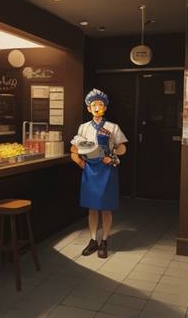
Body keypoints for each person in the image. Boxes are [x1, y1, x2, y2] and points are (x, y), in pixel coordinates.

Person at [70, 89, 127, 258]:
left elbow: (123, 147)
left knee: (106, 208)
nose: (96, 107)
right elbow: (75, 148)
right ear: (88, 108)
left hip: (107, 170)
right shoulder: (83, 127)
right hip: (90, 170)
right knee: (92, 207)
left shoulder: (112, 127)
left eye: (100, 104)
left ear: (105, 108)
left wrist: (113, 156)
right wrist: (79, 161)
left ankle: (105, 240)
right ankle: (93, 239)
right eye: (93, 104)